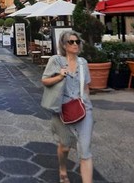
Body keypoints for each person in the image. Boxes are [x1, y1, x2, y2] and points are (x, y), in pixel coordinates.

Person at [41, 30, 93, 183]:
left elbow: (86, 87)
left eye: (77, 41)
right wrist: (59, 76)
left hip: (83, 109)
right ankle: (63, 169)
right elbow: (44, 81)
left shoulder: (83, 63)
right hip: (62, 109)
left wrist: (87, 103)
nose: (75, 44)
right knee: (65, 147)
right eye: (71, 42)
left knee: (86, 152)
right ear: (64, 45)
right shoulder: (56, 61)